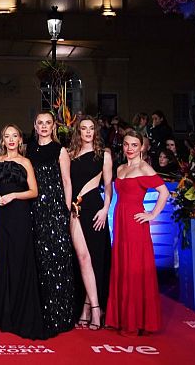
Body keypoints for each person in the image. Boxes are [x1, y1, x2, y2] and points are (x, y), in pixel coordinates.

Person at [107, 130, 171, 336]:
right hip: (120, 221)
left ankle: (135, 321)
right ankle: (121, 318)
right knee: (123, 266)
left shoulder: (145, 168)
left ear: (142, 147)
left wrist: (152, 214)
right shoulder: (120, 168)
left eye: (134, 145)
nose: (130, 149)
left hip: (135, 224)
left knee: (134, 267)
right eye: (126, 144)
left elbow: (164, 192)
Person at [0, 124, 45, 339]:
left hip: (20, 215)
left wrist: (13, 195)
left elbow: (34, 191)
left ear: (20, 139)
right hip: (0, 215)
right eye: (7, 136)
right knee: (2, 260)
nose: (11, 139)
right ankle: (3, 314)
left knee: (19, 260)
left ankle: (21, 312)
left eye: (15, 136)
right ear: (2, 140)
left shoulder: (25, 162)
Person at [27, 111, 77, 335]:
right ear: (35, 126)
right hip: (34, 210)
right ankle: (41, 313)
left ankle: (61, 315)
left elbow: (67, 182)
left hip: (55, 211)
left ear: (53, 126)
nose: (44, 126)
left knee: (57, 262)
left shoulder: (60, 150)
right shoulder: (28, 149)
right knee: (40, 261)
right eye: (40, 123)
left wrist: (65, 212)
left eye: (48, 123)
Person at [67, 116, 113, 330]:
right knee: (82, 259)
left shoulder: (103, 155)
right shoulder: (70, 154)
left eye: (91, 128)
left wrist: (106, 209)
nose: (87, 132)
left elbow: (108, 186)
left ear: (96, 131)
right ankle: (89, 307)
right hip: (75, 210)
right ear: (78, 131)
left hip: (95, 208)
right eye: (83, 128)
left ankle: (93, 308)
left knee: (93, 259)